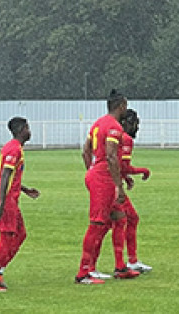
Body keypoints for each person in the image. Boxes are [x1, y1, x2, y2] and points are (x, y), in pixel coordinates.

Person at [75, 90, 139, 284]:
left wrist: (90, 171)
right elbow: (111, 156)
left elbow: (85, 150)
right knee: (97, 223)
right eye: (125, 106)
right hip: (104, 179)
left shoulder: (98, 123)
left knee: (120, 218)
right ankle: (83, 273)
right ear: (120, 106)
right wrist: (117, 185)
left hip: (98, 174)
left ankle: (120, 267)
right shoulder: (113, 126)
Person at [0, 117, 40, 292]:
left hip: (9, 198)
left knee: (20, 234)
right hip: (5, 199)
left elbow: (10, 177)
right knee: (6, 239)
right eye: (28, 127)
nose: (30, 131)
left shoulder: (15, 148)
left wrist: (25, 189)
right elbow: (5, 176)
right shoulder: (14, 149)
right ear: (22, 129)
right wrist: (1, 205)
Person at [111, 109, 153, 275]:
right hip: (111, 185)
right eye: (136, 124)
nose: (137, 128)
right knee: (120, 221)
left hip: (108, 181)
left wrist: (125, 177)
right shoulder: (126, 139)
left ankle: (128, 261)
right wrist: (144, 170)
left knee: (126, 219)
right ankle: (126, 262)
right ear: (128, 123)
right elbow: (124, 166)